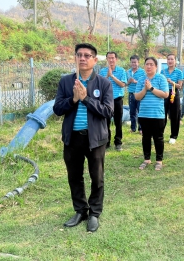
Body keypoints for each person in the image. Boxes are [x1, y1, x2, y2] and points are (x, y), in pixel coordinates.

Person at [53, 43, 113, 233]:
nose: (82, 58)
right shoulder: (66, 82)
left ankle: (94, 213)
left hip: (95, 140)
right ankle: (81, 210)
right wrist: (74, 99)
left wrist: (86, 99)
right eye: (79, 54)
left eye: (87, 55)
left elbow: (108, 111)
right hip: (72, 139)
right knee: (74, 176)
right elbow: (57, 109)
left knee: (97, 177)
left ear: (95, 60)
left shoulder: (104, 83)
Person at [135, 57, 169, 171]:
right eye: (147, 64)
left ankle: (159, 160)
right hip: (144, 114)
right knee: (146, 137)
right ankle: (147, 159)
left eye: (151, 64)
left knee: (158, 138)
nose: (148, 66)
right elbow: (137, 97)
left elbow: (165, 94)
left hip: (157, 114)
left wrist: (151, 88)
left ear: (156, 66)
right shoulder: (141, 79)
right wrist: (145, 88)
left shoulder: (161, 78)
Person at [99, 52, 127, 151]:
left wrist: (112, 76)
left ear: (116, 59)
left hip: (117, 100)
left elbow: (123, 85)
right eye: (109, 58)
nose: (111, 60)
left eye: (113, 58)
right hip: (106, 101)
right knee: (105, 122)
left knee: (118, 122)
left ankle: (118, 143)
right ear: (106, 59)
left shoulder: (122, 71)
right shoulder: (102, 71)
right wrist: (107, 76)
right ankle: (106, 142)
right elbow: (99, 85)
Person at [162, 54, 183, 144]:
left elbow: (180, 86)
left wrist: (171, 82)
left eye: (172, 59)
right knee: (162, 115)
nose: (170, 61)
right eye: (168, 59)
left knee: (175, 115)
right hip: (164, 93)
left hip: (174, 93)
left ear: (175, 61)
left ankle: (173, 136)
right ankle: (160, 133)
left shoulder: (179, 72)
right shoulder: (162, 71)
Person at [127, 55, 145, 134]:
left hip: (140, 94)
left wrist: (135, 81)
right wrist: (129, 81)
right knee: (132, 112)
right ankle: (133, 128)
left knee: (140, 111)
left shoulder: (143, 72)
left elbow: (144, 83)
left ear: (138, 63)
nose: (133, 64)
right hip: (131, 94)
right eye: (132, 62)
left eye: (135, 62)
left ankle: (141, 128)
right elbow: (125, 84)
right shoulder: (127, 72)